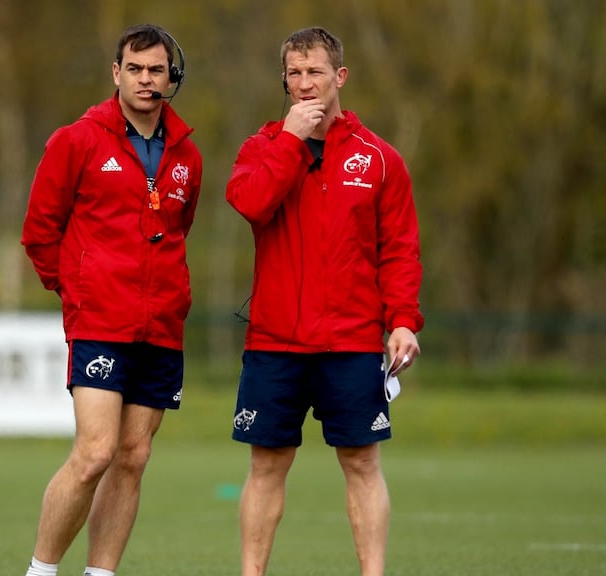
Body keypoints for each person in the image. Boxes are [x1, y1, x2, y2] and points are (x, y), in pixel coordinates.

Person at [225, 26, 423, 576]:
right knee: (267, 465)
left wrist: (403, 320)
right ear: (284, 80)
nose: (304, 83)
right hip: (275, 341)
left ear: (339, 76)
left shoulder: (380, 158)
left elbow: (400, 250)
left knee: (362, 462)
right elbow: (252, 204)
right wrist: (290, 140)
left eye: (315, 72)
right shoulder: (260, 149)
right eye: (294, 73)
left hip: (353, 341)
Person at [20, 24, 202, 576]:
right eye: (136, 69)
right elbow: (39, 232)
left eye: (157, 70)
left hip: (162, 324)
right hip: (100, 319)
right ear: (116, 73)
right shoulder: (75, 140)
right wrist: (77, 290)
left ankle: (100, 574)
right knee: (96, 451)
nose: (147, 80)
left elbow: (178, 229)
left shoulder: (187, 154)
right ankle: (41, 570)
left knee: (133, 458)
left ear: (172, 76)